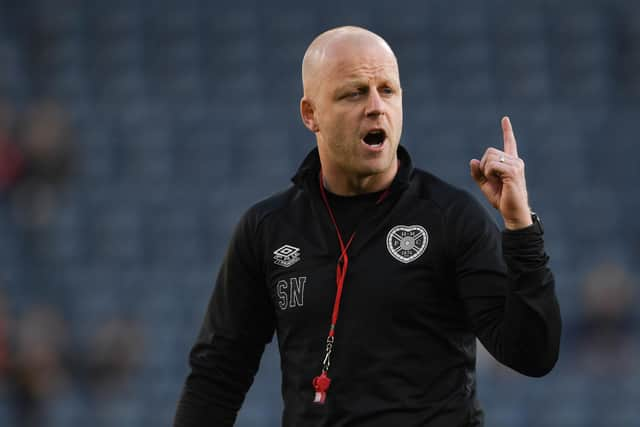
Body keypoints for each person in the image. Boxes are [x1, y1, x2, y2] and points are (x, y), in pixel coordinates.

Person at [174, 26, 561, 426]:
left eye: (387, 91)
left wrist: (519, 227)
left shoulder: (450, 217)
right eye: (354, 93)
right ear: (311, 114)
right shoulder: (268, 229)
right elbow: (218, 374)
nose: (376, 107)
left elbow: (532, 355)